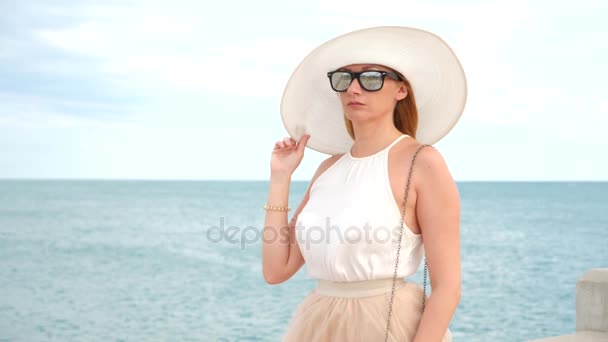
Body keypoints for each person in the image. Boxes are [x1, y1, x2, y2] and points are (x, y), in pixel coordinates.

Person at [262, 26, 467, 342]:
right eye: (345, 79)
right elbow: (276, 270)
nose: (354, 89)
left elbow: (447, 287)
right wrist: (281, 176)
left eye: (372, 79)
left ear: (401, 90)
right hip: (318, 323)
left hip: (389, 324)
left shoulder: (422, 162)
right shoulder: (327, 169)